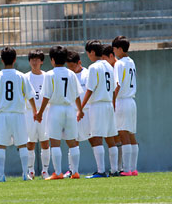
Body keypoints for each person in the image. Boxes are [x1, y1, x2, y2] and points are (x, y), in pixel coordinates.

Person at [0, 47, 37, 182]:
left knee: (1, 145)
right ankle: (25, 174)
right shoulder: (21, 76)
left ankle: (2, 175)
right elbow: (30, 96)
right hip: (18, 114)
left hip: (3, 115)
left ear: (2, 60)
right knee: (22, 144)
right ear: (15, 59)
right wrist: (35, 111)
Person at [35, 46, 83, 180]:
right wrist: (80, 109)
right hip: (69, 108)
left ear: (52, 59)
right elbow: (77, 95)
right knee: (72, 142)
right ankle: (75, 172)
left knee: (55, 142)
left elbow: (46, 96)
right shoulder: (71, 74)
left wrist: (40, 113)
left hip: (55, 109)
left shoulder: (49, 74)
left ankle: (58, 172)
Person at [80, 40, 119, 179]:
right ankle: (114, 170)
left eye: (88, 53)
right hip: (108, 103)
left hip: (98, 105)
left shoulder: (93, 67)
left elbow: (90, 89)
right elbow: (115, 87)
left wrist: (81, 108)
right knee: (110, 138)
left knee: (96, 137)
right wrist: (113, 103)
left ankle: (101, 171)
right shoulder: (109, 65)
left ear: (91, 52)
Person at [112, 36, 139, 176]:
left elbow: (117, 85)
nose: (114, 52)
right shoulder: (131, 61)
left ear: (120, 49)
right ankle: (133, 168)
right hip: (132, 101)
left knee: (123, 134)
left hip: (122, 100)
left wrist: (113, 101)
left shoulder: (119, 63)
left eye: (115, 49)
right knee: (131, 134)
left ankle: (126, 169)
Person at [64, 50, 90, 178]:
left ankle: (102, 169)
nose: (70, 69)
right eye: (68, 67)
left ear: (79, 62)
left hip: (87, 112)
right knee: (73, 141)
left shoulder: (87, 74)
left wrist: (82, 109)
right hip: (72, 112)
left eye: (72, 66)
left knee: (94, 139)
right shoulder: (69, 75)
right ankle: (72, 170)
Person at [25, 50, 50, 180]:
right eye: (32, 60)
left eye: (37, 59)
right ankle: (31, 171)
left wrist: (40, 111)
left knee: (45, 141)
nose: (34, 62)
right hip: (29, 112)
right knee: (30, 142)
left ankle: (45, 171)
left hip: (45, 111)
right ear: (29, 61)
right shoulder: (25, 77)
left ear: (41, 61)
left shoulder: (47, 76)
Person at [102, 45, 123, 172]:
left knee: (119, 135)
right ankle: (119, 167)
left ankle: (120, 167)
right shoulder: (114, 66)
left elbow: (118, 85)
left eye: (105, 59)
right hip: (117, 102)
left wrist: (113, 101)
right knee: (117, 135)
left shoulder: (116, 67)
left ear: (111, 56)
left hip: (118, 103)